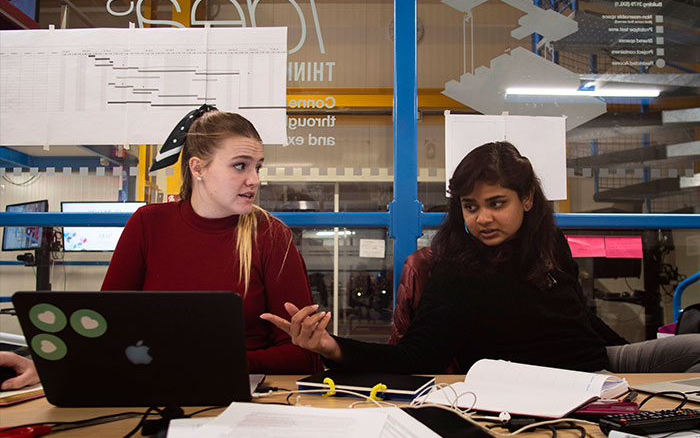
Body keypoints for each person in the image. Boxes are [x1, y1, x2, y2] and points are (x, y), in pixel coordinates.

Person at [262, 141, 700, 374]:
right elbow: (416, 357)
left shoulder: (549, 242)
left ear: (527, 198)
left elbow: (577, 318)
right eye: (470, 206)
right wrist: (332, 346)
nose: (482, 218)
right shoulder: (457, 270)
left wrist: (635, 366)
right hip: (548, 393)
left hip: (600, 366)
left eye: (496, 203)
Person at [1, 106, 322, 390]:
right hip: (150, 389)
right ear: (197, 168)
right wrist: (48, 367)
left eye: (257, 167)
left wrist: (221, 363)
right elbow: (104, 328)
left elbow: (304, 353)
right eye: (240, 166)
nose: (254, 180)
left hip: (242, 396)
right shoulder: (147, 224)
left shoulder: (271, 236)